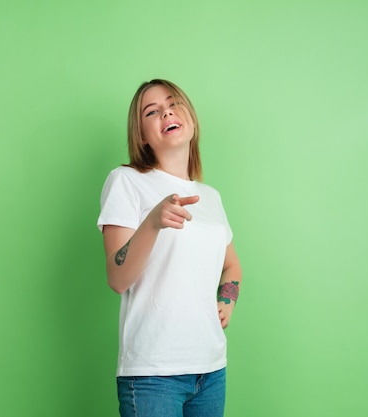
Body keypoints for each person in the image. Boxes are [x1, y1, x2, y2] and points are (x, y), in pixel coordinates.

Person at [97, 78, 242, 417]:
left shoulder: (211, 197)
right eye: (152, 111)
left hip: (211, 369)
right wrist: (152, 222)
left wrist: (227, 301)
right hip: (153, 374)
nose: (166, 112)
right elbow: (117, 278)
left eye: (173, 102)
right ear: (142, 135)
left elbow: (232, 265)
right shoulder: (126, 180)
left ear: (189, 116)